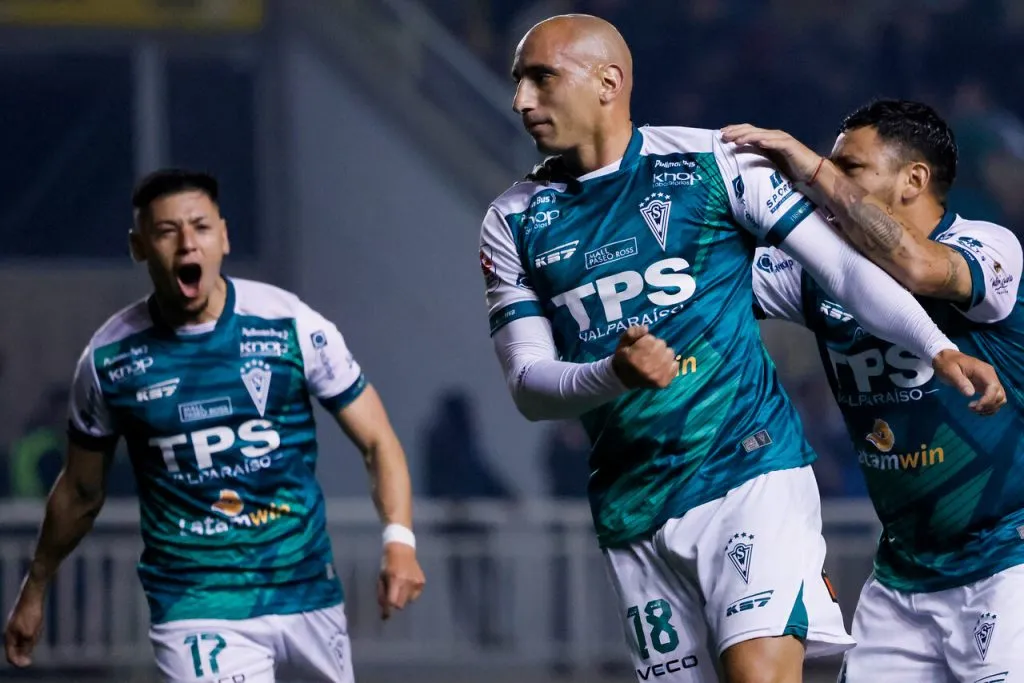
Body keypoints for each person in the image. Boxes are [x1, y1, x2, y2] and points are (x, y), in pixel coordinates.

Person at [479, 14, 1005, 683]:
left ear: (608, 82)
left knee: (758, 673)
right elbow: (528, 384)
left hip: (749, 469)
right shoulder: (513, 219)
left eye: (541, 77)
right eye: (519, 80)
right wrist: (612, 372)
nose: (522, 99)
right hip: (632, 503)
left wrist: (934, 345)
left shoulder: (714, 162)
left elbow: (841, 269)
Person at [3, 169, 426, 683]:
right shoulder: (110, 359)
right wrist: (35, 587)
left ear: (223, 237)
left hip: (305, 588)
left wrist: (400, 540)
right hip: (196, 604)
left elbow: (377, 440)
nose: (187, 244)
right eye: (166, 232)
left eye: (200, 228)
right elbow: (79, 491)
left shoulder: (290, 324)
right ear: (139, 247)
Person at [731, 99, 1024, 683]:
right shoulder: (816, 270)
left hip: (1006, 565)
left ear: (913, 179)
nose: (831, 179)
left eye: (850, 168)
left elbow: (915, 266)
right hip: (902, 577)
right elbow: (704, 291)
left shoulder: (989, 249)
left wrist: (811, 169)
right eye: (832, 166)